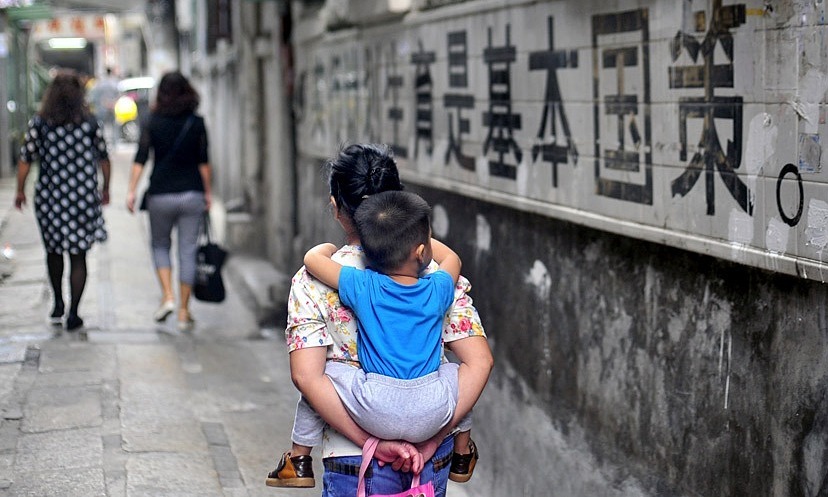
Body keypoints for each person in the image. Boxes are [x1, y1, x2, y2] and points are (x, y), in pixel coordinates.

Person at [266, 143, 493, 496]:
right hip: (428, 450)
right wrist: (431, 440)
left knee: (324, 374)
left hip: (353, 455)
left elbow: (305, 377)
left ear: (336, 207)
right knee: (453, 372)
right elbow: (479, 362)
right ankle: (464, 452)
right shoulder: (436, 278)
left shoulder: (318, 281)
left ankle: (298, 458)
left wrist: (372, 442)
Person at [14, 70, 111, 331]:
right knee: (78, 255)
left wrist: (20, 191)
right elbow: (104, 158)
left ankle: (58, 302)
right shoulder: (90, 123)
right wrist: (105, 189)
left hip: (50, 199)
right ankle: (74, 313)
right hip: (82, 198)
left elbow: (25, 159)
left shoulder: (40, 123)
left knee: (53, 251)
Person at [125, 71, 212, 332]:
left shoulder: (152, 121)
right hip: (192, 194)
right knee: (187, 250)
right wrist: (208, 193)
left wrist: (131, 190)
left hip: (160, 194)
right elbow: (204, 162)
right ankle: (184, 312)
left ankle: (168, 297)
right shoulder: (196, 122)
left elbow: (141, 157)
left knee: (160, 245)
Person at [88, 67, 120, 144]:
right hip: (112, 107)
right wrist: (112, 103)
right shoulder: (114, 83)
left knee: (101, 126)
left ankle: (102, 142)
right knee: (114, 126)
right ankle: (114, 143)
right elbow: (118, 95)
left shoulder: (99, 84)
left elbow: (93, 97)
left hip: (102, 108)